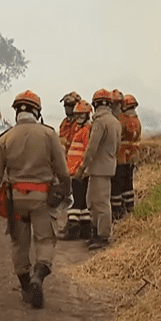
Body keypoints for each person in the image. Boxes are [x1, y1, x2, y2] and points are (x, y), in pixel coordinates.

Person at [0, 90, 71, 309]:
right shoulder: (49, 134)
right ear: (37, 112)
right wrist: (66, 192)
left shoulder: (5, 138)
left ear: (16, 112)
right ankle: (38, 278)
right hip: (43, 198)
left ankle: (25, 287)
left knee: (19, 243)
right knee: (45, 240)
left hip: (16, 200)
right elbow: (63, 171)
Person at [77, 89, 121, 250]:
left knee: (99, 204)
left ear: (95, 104)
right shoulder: (115, 122)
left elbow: (92, 148)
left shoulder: (100, 122)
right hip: (107, 167)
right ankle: (97, 234)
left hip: (98, 169)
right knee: (96, 202)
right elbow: (118, 147)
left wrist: (82, 168)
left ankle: (102, 236)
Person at [60, 100, 93, 241]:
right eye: (77, 115)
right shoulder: (80, 129)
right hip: (75, 170)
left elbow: (87, 151)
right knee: (82, 202)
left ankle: (73, 230)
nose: (78, 118)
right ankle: (85, 230)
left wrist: (81, 169)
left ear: (87, 115)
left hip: (78, 171)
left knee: (75, 203)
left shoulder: (86, 131)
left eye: (81, 115)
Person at [118, 94, 141, 213]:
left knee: (120, 183)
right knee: (129, 182)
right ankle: (130, 206)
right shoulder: (136, 120)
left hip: (122, 155)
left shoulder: (122, 119)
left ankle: (121, 209)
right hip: (133, 155)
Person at [109, 89, 126, 218]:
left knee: (117, 186)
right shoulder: (122, 119)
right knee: (121, 186)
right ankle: (121, 209)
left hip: (117, 159)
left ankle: (117, 211)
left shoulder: (115, 121)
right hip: (121, 158)